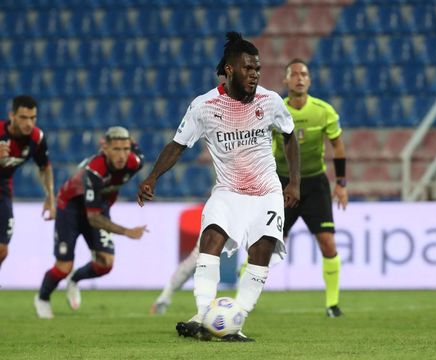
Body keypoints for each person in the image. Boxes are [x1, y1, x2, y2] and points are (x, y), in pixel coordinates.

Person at [138, 32, 300, 341]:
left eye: (257, 69)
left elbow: (290, 136)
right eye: (247, 68)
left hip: (267, 192)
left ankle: (233, 323)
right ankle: (204, 315)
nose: (254, 75)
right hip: (228, 191)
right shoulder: (204, 106)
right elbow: (177, 145)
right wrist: (152, 177)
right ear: (229, 69)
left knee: (260, 252)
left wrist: (294, 182)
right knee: (210, 240)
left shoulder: (271, 101)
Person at [34, 126, 148, 319]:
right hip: (70, 208)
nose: (122, 155)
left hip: (97, 206)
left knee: (105, 263)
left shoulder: (135, 161)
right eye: (116, 149)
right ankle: (42, 298)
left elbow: (96, 213)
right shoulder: (95, 171)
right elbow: (93, 219)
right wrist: (127, 231)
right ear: (105, 149)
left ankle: (74, 280)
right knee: (63, 267)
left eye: (125, 149)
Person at [275, 58, 348, 317]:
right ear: (285, 81)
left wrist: (340, 183)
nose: (299, 78)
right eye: (293, 74)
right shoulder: (275, 110)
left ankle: (332, 304)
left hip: (315, 183)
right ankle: (240, 296)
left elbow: (338, 146)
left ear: (310, 80)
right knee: (266, 244)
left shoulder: (323, 111)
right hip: (283, 183)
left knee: (328, 243)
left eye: (303, 74)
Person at [0, 95, 55, 270]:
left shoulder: (36, 138)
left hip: (3, 187)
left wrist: (50, 197)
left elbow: (44, 167)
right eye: (23, 117)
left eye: (33, 118)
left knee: (2, 250)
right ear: (12, 116)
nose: (29, 123)